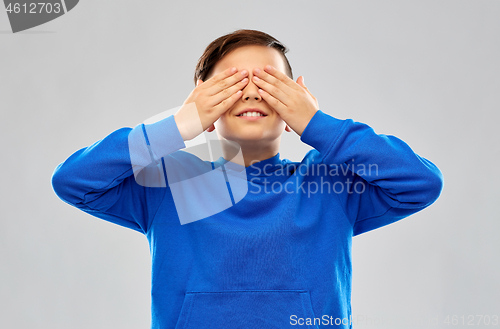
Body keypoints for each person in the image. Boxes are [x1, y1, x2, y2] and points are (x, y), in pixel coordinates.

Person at [51, 29, 443, 329]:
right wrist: (178, 126)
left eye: (270, 84)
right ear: (203, 102)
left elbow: (422, 182)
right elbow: (73, 180)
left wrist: (317, 125)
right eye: (234, 84)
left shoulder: (330, 182)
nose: (253, 94)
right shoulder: (169, 183)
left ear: (296, 101)